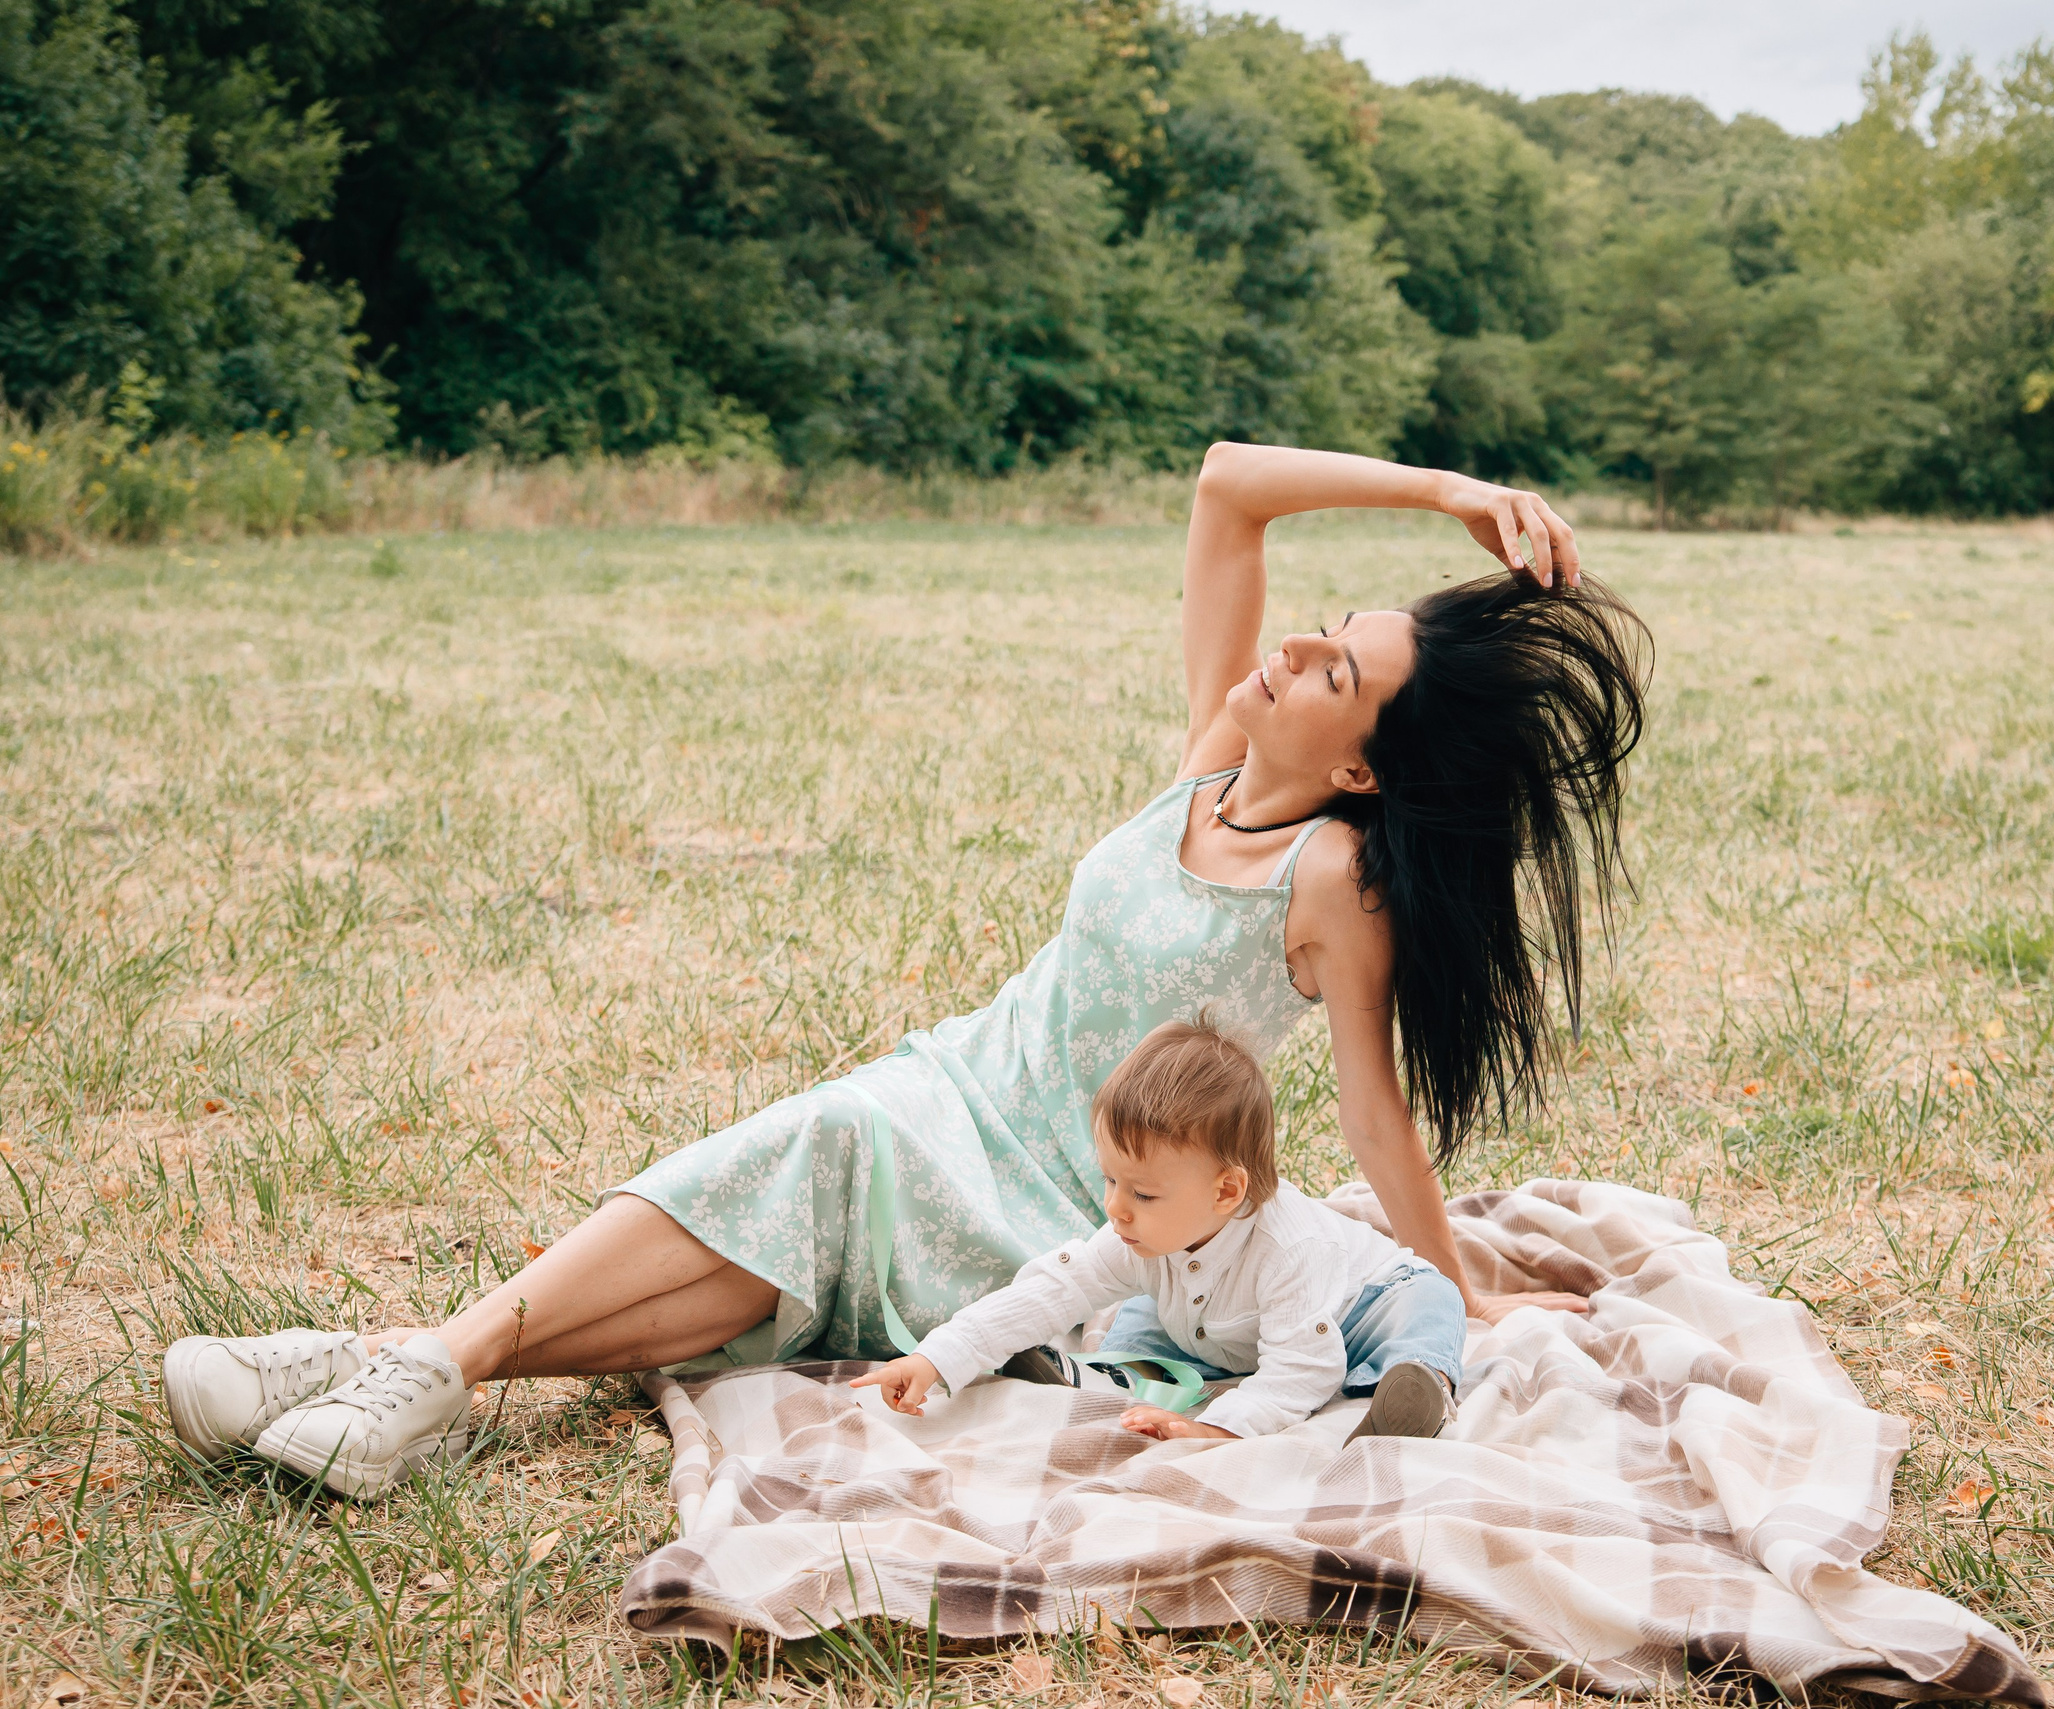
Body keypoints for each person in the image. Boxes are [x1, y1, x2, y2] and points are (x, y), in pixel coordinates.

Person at [159, 442, 1650, 1500]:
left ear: (1370, 769)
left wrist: (1465, 1293)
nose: (1297, 652)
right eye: (1323, 628)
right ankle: (409, 1367)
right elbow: (1225, 481)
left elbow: (1373, 1114)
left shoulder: (1332, 879)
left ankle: (398, 1367)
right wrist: (1445, 489)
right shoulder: (1208, 761)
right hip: (959, 1082)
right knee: (798, 1186)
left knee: (812, 1148)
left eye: (1336, 670)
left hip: (1065, 1191)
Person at [851, 1016, 1466, 1443]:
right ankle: (1103, 1373)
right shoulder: (1139, 1233)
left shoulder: (1289, 1252)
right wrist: (937, 1357)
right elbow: (1050, 1291)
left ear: (1227, 1191)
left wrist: (1225, 1426)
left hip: (1363, 1306)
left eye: (1142, 1192)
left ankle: (1418, 1391)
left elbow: (1307, 1368)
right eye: (1112, 1181)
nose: (1115, 1208)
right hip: (1218, 1328)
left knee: (1431, 1302)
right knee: (1140, 1320)